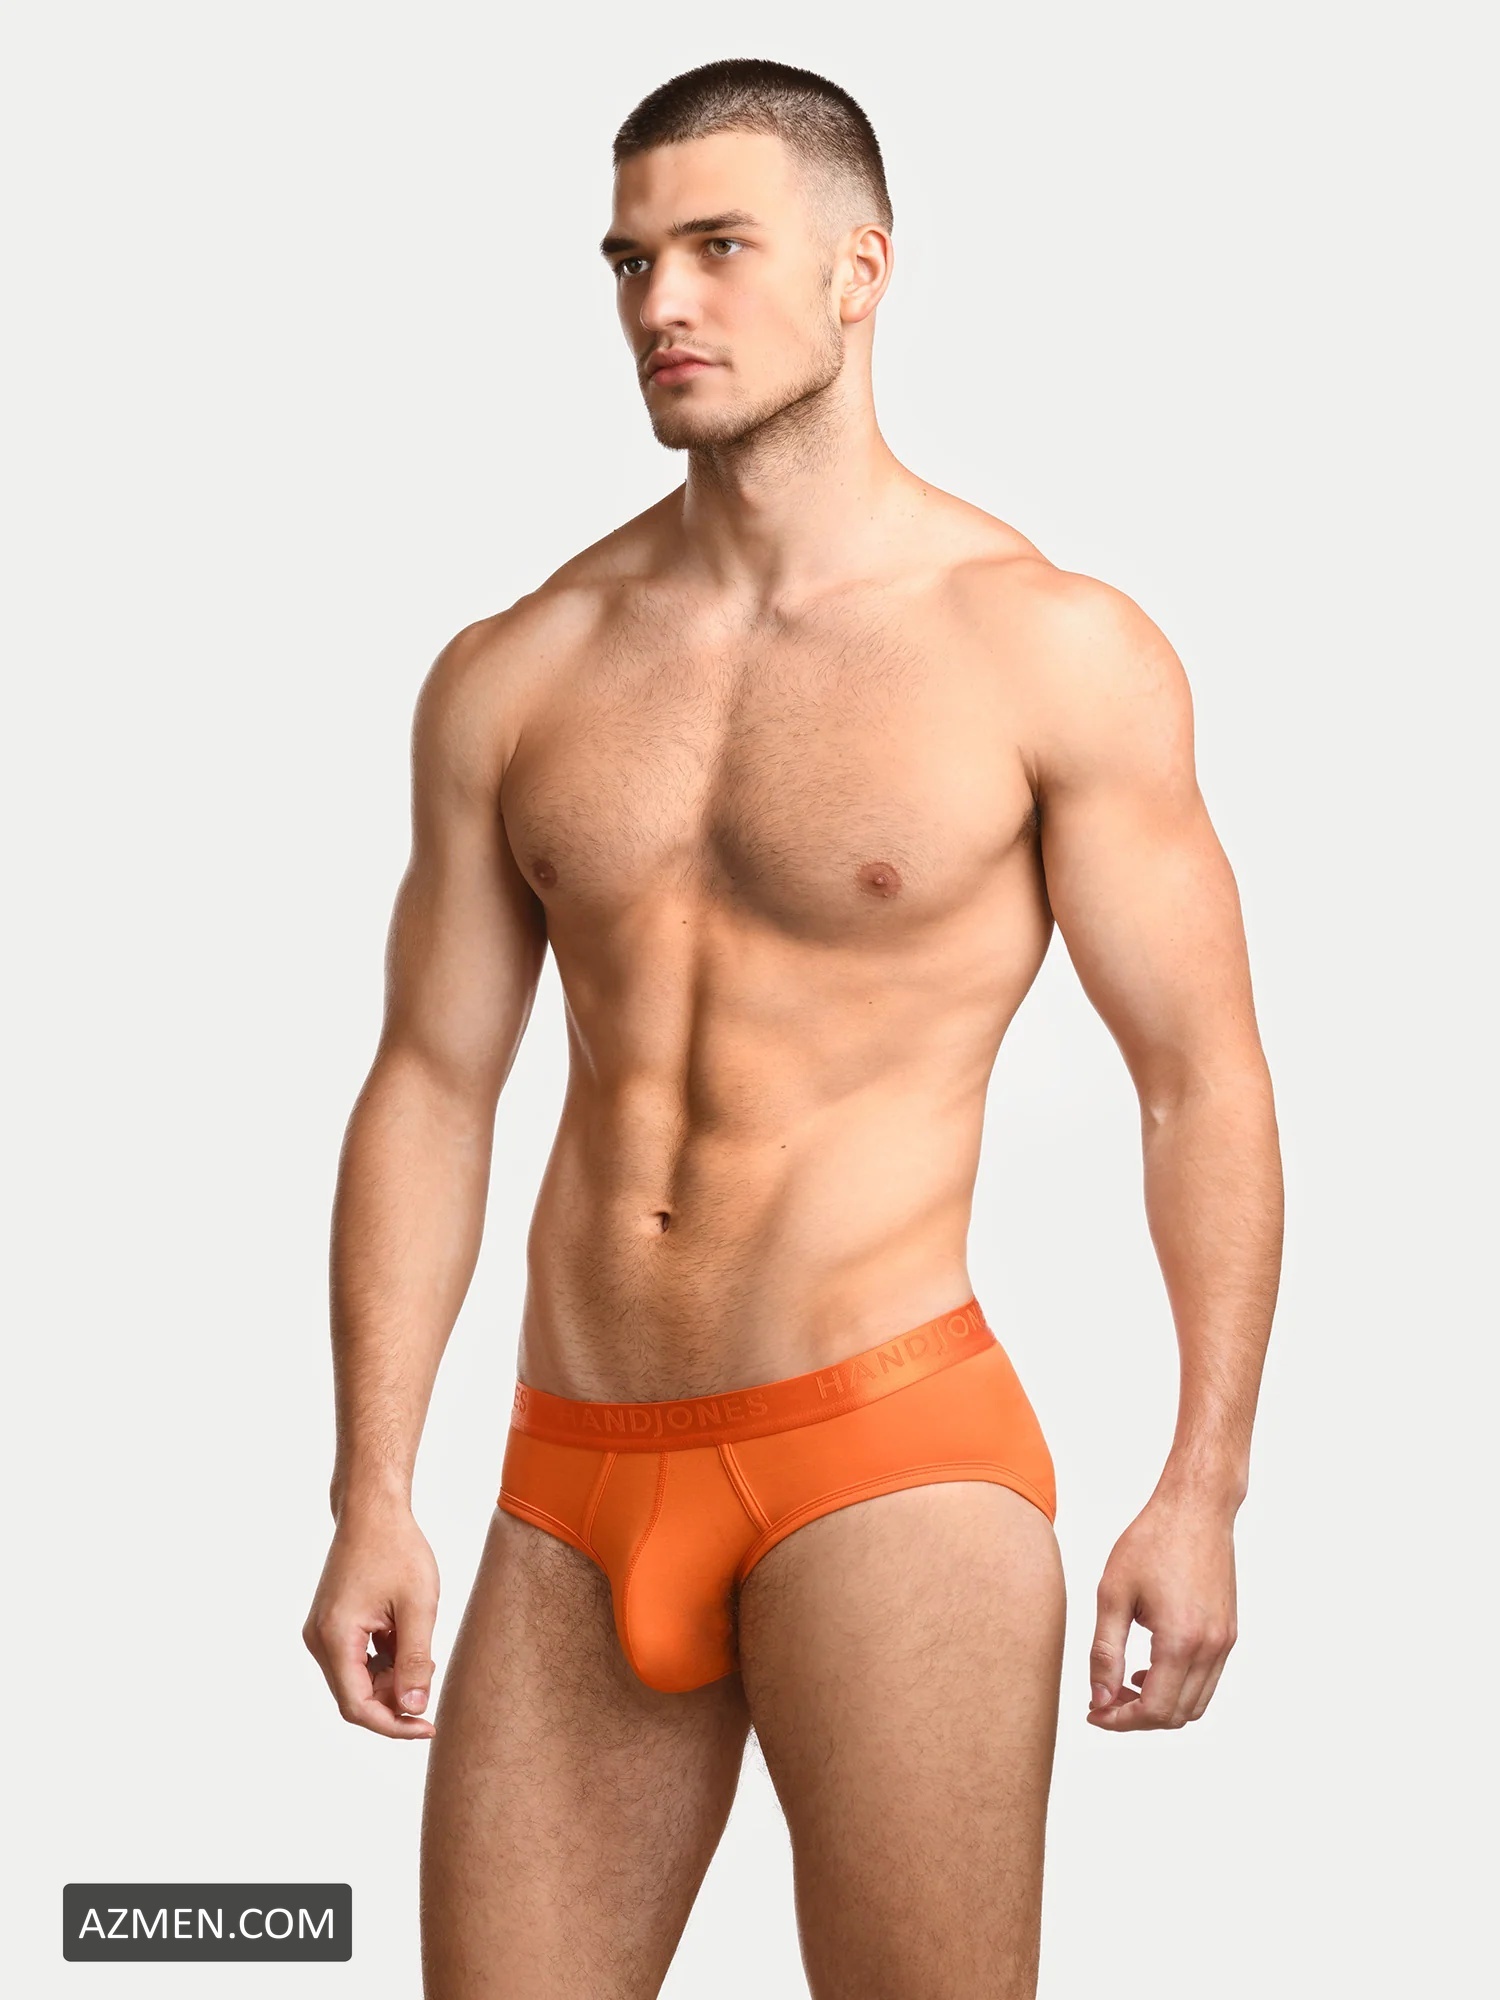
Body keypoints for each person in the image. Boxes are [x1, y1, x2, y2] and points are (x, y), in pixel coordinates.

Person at [302, 56, 1283, 2000]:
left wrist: (1205, 1483)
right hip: (570, 1482)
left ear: (860, 270)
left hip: (886, 1453)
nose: (661, 302)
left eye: (718, 248)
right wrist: (371, 1487)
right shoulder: (519, 669)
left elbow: (1201, 1079)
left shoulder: (1045, 645)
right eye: (629, 260)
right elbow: (431, 1082)